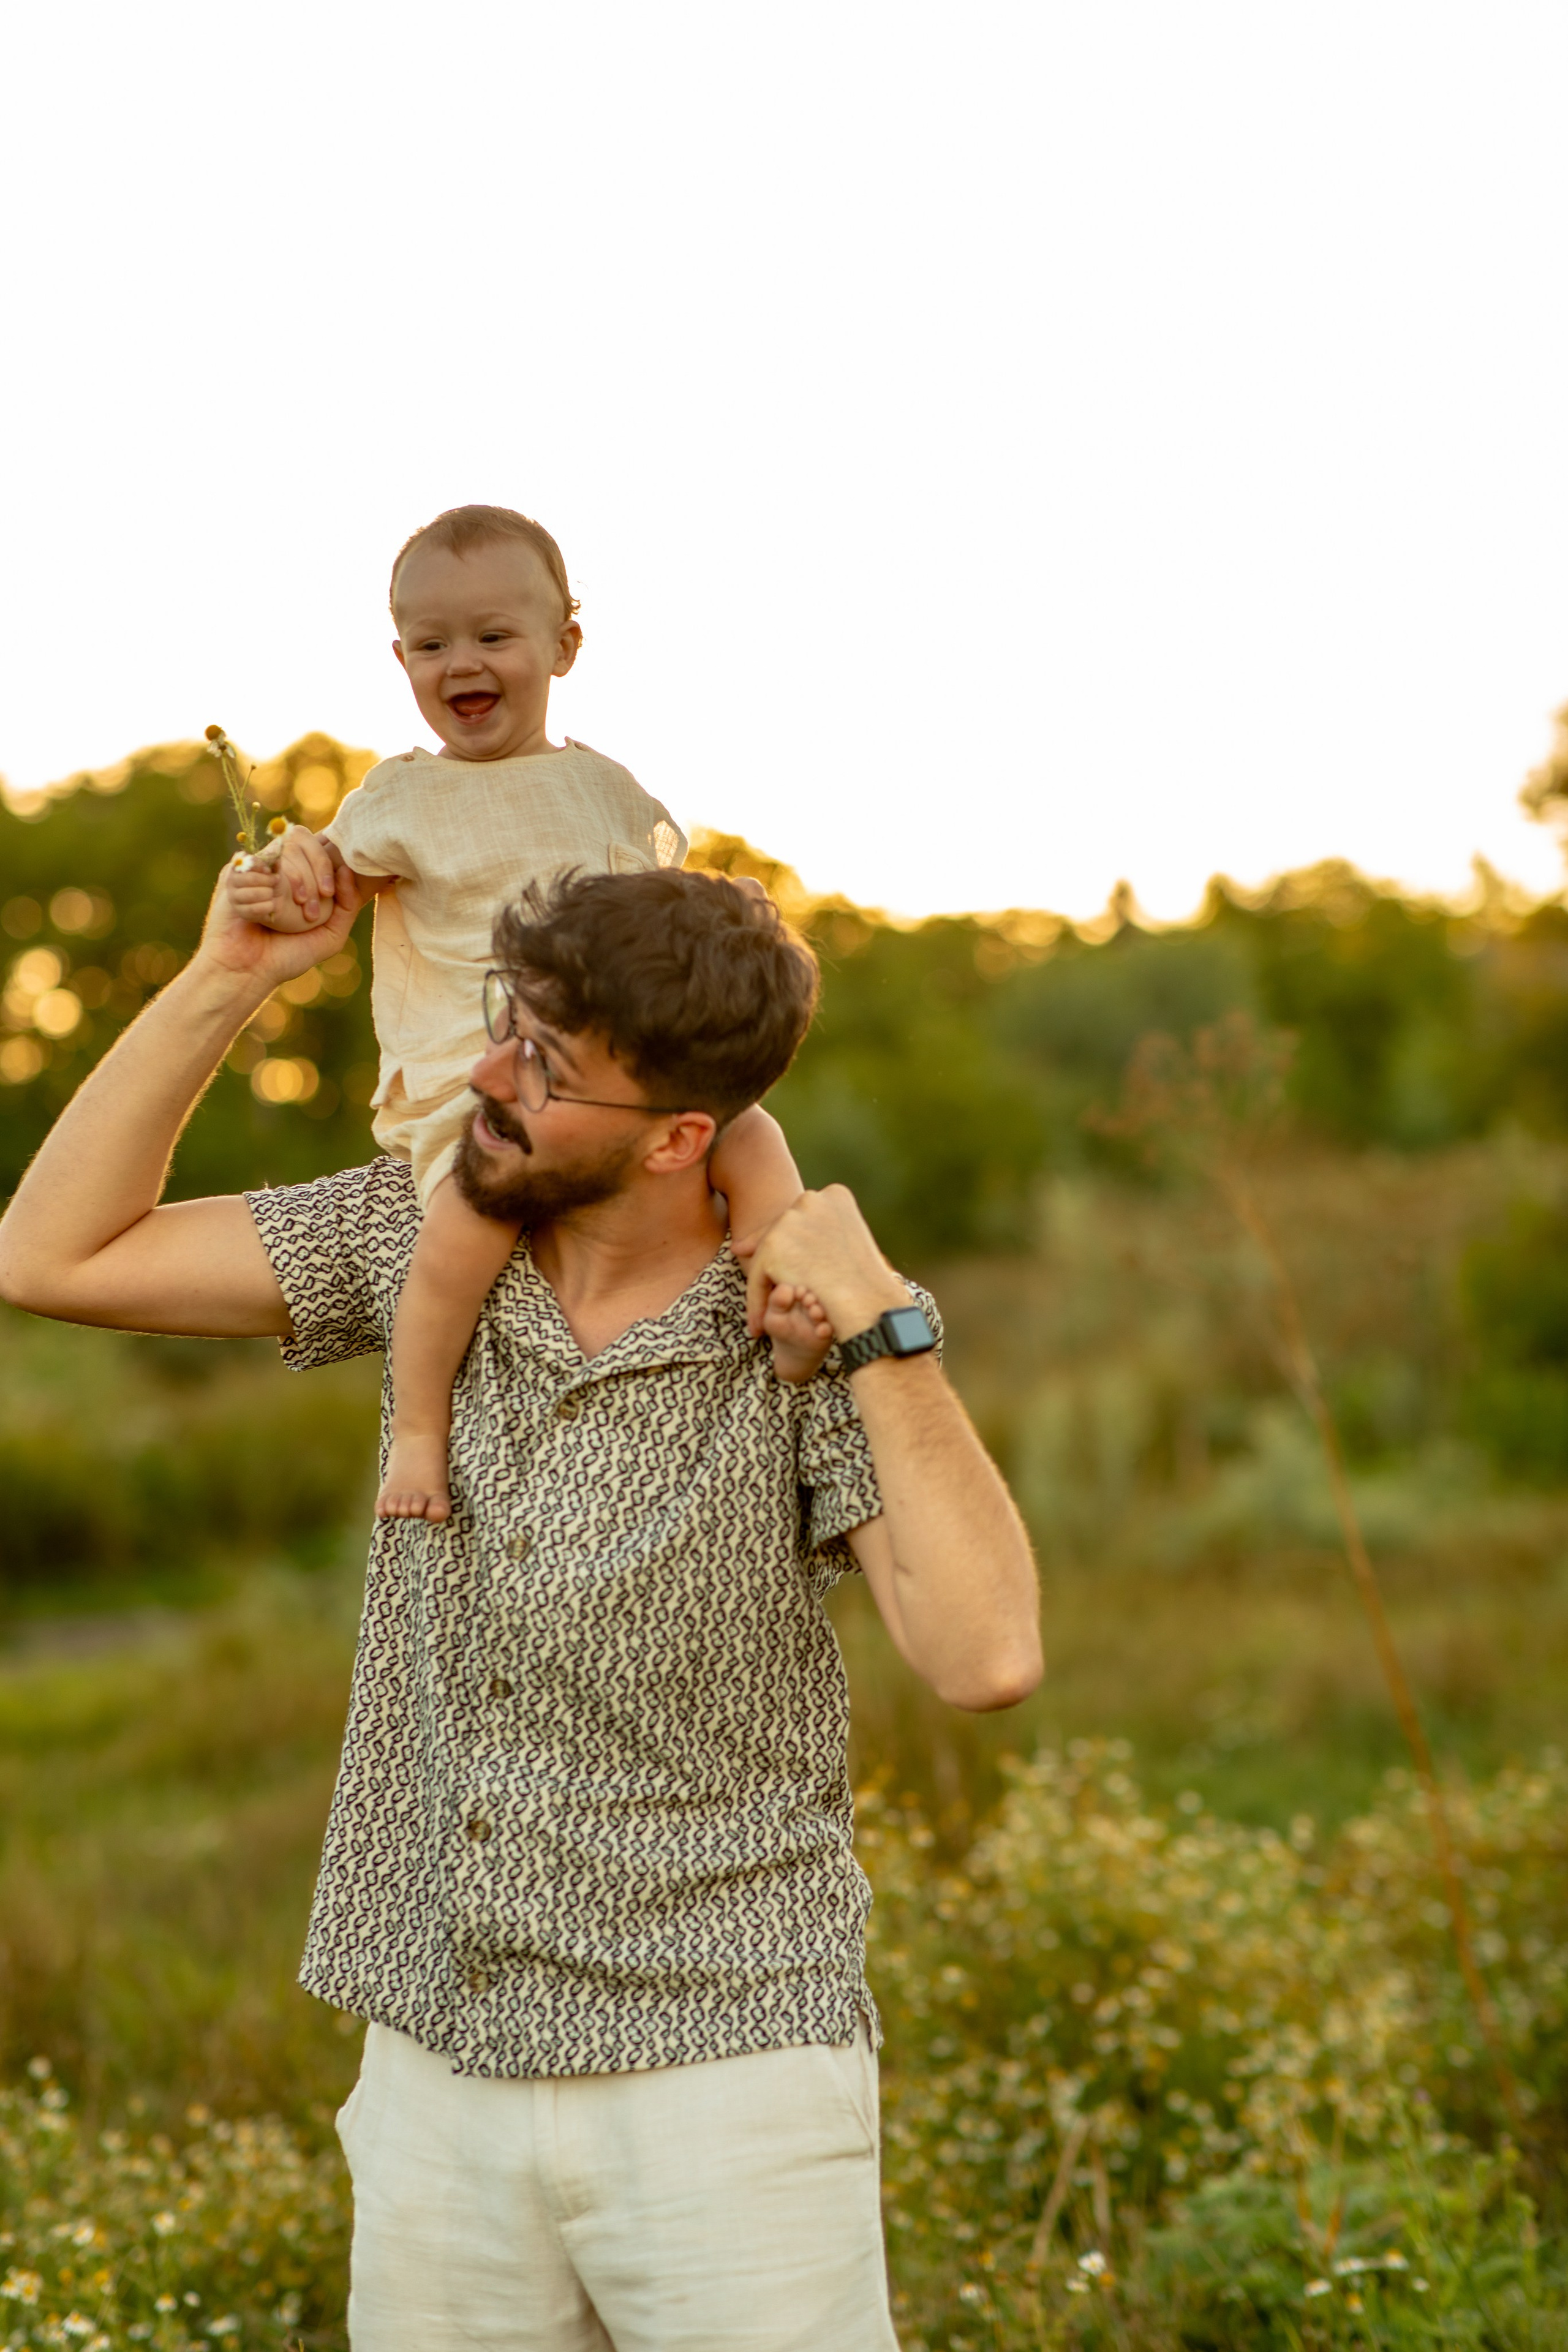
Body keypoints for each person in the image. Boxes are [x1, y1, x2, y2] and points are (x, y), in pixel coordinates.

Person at [0, 858, 1042, 2352]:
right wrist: (230, 975)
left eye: (544, 1065)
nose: (488, 1075)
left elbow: (985, 1655)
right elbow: (48, 1256)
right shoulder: (418, 1232)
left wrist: (885, 1320)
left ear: (680, 1137)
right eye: (505, 1022)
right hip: (438, 2075)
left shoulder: (805, 1333)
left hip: (726, 2078)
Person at [228, 502, 819, 1524]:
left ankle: (785, 1289)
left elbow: (658, 924)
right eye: (431, 645)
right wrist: (280, 876)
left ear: (564, 646)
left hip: (613, 1078)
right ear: (402, 659)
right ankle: (421, 1433)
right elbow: (321, 882)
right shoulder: (398, 799)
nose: (463, 662)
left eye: (494, 636)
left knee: (751, 1135)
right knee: (458, 1244)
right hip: (481, 1096)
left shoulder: (607, 791)